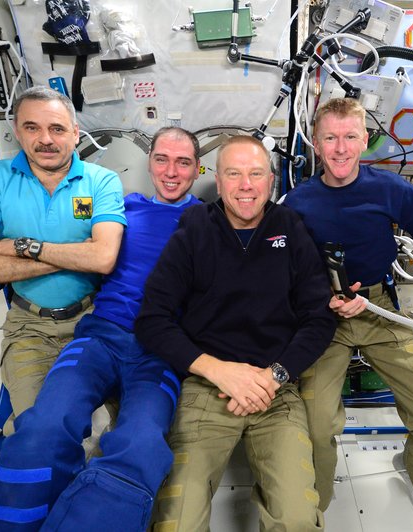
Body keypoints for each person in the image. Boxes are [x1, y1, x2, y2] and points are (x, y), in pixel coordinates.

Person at [0, 127, 202, 531]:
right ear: (150, 162)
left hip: (163, 354)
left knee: (139, 445)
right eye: (162, 159)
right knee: (42, 428)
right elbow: (62, 236)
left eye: (183, 162)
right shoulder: (118, 209)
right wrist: (10, 245)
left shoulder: (212, 220)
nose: (171, 171)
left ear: (197, 169)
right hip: (100, 337)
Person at [283, 97, 413, 519]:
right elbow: (283, 269)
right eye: (330, 138)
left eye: (350, 137)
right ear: (316, 143)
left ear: (364, 140)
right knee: (315, 427)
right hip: (324, 317)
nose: (340, 148)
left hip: (379, 309)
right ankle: (315, 502)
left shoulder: (388, 188)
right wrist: (322, 296)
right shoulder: (298, 202)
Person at [135, 135, 336, 532]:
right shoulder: (194, 229)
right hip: (208, 389)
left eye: (256, 174)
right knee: (176, 522)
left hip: (275, 391)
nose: (246, 185)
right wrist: (220, 371)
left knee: (297, 520)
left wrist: (273, 375)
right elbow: (152, 320)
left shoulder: (290, 228)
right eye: (234, 174)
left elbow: (319, 318)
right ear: (218, 181)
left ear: (271, 181)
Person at [0, 86, 126, 433]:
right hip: (29, 327)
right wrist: (78, 256)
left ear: (76, 133)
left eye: (58, 129)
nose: (46, 139)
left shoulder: (101, 181)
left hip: (95, 318)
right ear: (17, 132)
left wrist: (22, 246)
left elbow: (104, 259)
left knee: (129, 419)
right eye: (32, 128)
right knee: (36, 433)